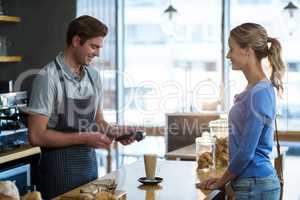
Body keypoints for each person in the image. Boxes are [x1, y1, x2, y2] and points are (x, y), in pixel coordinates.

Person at [27, 15, 136, 199]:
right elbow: (36, 135)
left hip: (89, 171)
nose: (98, 53)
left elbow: (98, 121)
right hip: (58, 174)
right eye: (94, 46)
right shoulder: (48, 78)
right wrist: (84, 137)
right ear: (77, 41)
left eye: (100, 47)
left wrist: (116, 132)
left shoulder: (94, 76)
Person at [197, 23, 285, 199]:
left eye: (231, 48)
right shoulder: (255, 90)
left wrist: (222, 180)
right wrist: (224, 178)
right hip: (252, 182)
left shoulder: (259, 93)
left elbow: (246, 151)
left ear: (248, 50)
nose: (228, 55)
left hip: (255, 185)